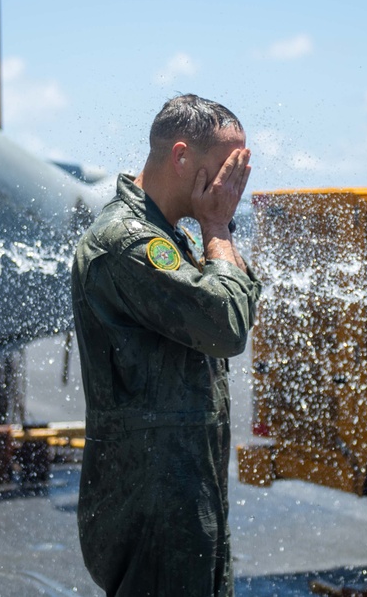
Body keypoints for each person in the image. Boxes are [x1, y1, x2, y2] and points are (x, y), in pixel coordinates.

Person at [71, 94, 261, 596]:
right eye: (225, 170)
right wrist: (218, 227)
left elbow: (235, 303)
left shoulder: (169, 236)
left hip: (182, 493)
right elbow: (226, 325)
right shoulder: (130, 243)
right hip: (156, 505)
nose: (231, 187)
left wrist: (213, 233)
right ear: (181, 158)